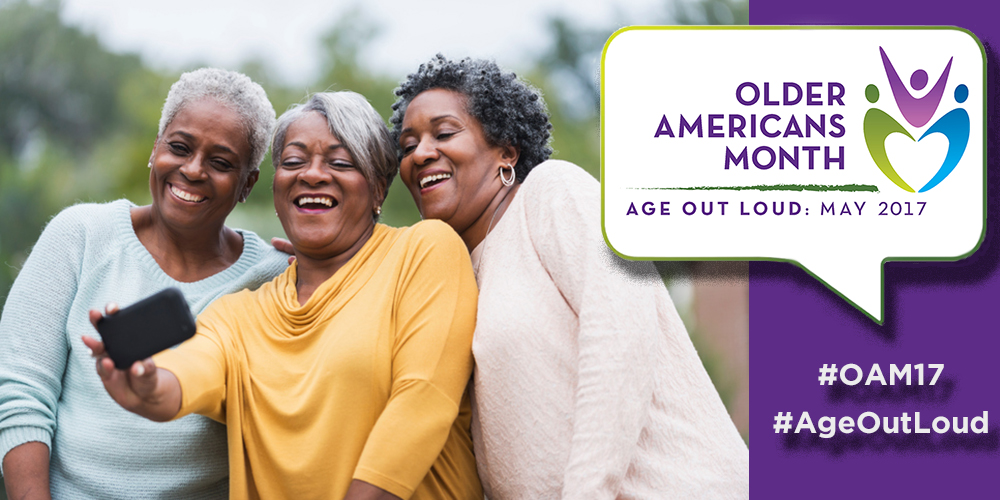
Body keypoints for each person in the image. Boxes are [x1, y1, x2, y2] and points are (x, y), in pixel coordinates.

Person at [85, 91, 483, 500]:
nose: (311, 175)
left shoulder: (423, 252)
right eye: (293, 161)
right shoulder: (238, 313)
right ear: (276, 190)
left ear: (378, 189)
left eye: (340, 162)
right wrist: (145, 386)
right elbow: (187, 373)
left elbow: (422, 401)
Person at [389, 55, 750, 499]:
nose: (421, 153)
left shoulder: (551, 193)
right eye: (407, 146)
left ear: (506, 151)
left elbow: (620, 336)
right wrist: (320, 261)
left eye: (444, 133)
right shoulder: (455, 271)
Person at [0, 68, 287, 499]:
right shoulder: (79, 235)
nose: (192, 170)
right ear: (156, 149)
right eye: (179, 147)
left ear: (247, 184)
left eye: (221, 162)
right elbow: (21, 392)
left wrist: (322, 268)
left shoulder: (273, 278)